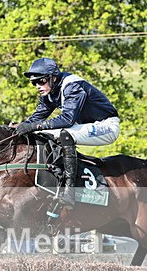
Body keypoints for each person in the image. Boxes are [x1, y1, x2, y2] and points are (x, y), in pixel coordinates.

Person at [14, 57, 120, 209]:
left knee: (64, 134)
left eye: (41, 81)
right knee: (44, 134)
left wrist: (35, 126)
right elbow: (36, 118)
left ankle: (69, 190)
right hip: (84, 126)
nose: (38, 86)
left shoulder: (72, 86)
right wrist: (17, 128)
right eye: (34, 82)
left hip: (106, 126)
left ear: (53, 77)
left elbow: (68, 119)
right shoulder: (50, 92)